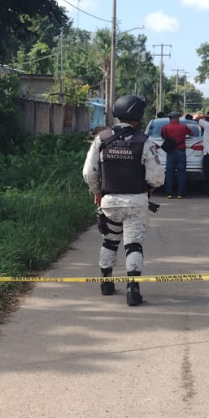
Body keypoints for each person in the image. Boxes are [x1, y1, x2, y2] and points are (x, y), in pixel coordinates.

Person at [83, 94, 165, 306]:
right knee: (133, 245)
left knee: (110, 241)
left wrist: (97, 192)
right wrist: (150, 188)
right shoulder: (145, 142)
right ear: (138, 116)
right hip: (137, 202)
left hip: (109, 201)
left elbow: (89, 172)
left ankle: (106, 283)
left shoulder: (101, 139)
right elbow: (157, 177)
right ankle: (132, 290)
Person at [161, 110, 193, 199]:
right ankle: (180, 194)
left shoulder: (165, 128)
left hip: (170, 152)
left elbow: (163, 137)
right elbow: (192, 133)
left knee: (169, 173)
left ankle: (169, 193)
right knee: (181, 173)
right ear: (177, 118)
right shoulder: (183, 127)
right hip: (181, 151)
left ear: (170, 118)